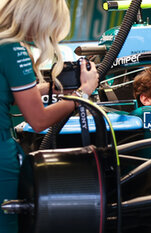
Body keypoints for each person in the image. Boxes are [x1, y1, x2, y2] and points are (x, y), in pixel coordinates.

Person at [0, 1, 99, 232]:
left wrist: (51, 89)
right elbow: (39, 120)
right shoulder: (13, 49)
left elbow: (8, 93)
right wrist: (82, 94)